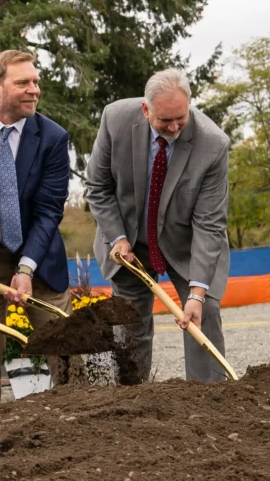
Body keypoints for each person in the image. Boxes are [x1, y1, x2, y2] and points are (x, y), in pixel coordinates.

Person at [85, 68, 230, 385]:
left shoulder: (213, 145)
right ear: (146, 109)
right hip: (129, 241)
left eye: (181, 117)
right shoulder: (116, 120)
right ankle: (133, 396)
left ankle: (210, 398)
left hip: (186, 244)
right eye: (166, 121)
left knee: (204, 314)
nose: (175, 127)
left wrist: (197, 294)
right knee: (129, 320)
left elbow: (209, 223)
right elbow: (98, 187)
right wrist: (118, 238)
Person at [0, 50, 71, 402]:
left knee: (66, 348)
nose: (34, 90)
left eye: (36, 82)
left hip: (38, 255)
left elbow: (48, 211)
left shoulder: (53, 138)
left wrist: (26, 267)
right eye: (23, 82)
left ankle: (78, 424)